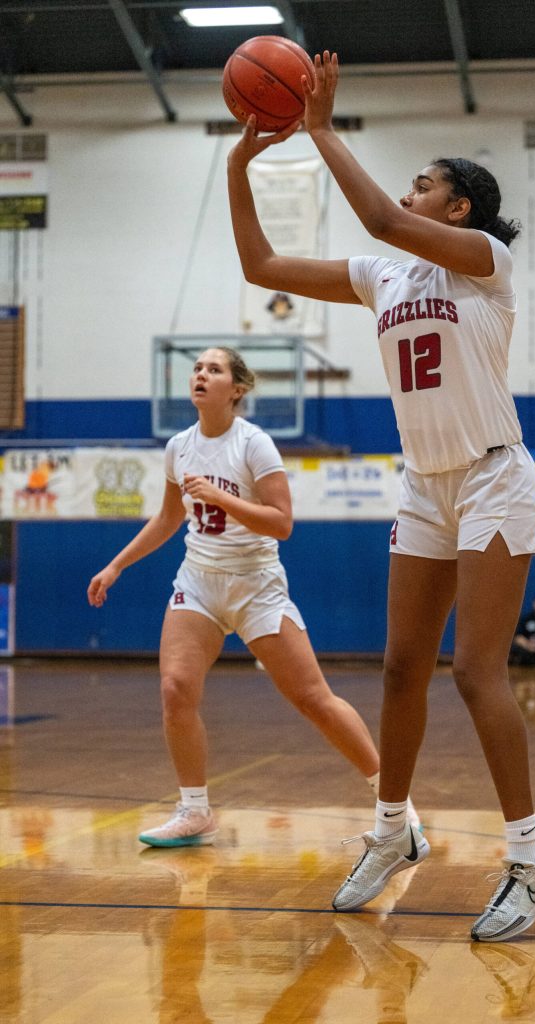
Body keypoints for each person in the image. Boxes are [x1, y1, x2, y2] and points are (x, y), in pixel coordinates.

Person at [226, 50, 535, 942]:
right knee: (398, 669)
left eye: (426, 184)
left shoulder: (483, 263)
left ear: (458, 208)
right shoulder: (384, 278)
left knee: (474, 670)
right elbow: (261, 265)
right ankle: (391, 832)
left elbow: (378, 216)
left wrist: (322, 131)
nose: (409, 193)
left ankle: (532, 860)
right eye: (413, 184)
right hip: (425, 485)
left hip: (494, 474)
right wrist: (237, 167)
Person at [87, 345, 419, 847]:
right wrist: (116, 564)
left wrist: (221, 496)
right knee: (175, 690)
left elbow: (282, 523)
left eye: (213, 369)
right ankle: (195, 811)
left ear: (236, 389)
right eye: (197, 368)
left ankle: (394, 803)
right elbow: (169, 519)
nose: (201, 374)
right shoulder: (179, 446)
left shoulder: (254, 444)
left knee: (313, 699)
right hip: (198, 579)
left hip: (255, 583)